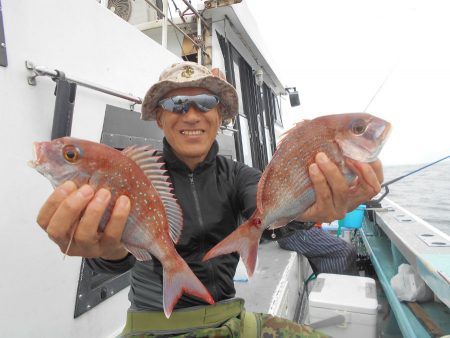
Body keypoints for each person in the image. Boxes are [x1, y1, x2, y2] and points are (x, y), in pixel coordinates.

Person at [36, 61, 384, 337]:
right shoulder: (135, 175)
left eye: (206, 102)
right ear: (159, 116)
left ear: (221, 115)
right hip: (152, 326)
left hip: (230, 319)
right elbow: (117, 255)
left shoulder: (240, 177)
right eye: (175, 103)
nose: (191, 114)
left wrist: (308, 213)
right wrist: (108, 253)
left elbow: (267, 214)